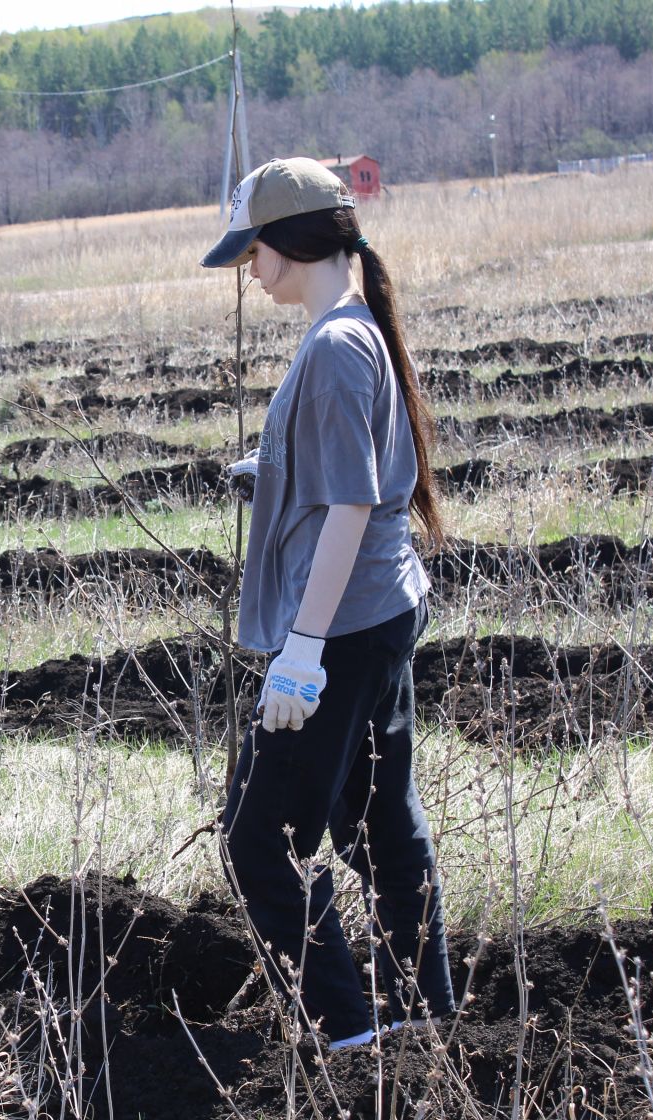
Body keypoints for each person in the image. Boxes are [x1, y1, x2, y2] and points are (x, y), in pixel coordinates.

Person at [201, 158, 454, 1052]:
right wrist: (271, 474)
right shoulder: (344, 332)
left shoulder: (339, 346)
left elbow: (353, 503)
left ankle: (347, 1038)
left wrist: (301, 652)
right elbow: (346, 477)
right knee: (378, 820)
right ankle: (425, 1017)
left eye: (252, 250)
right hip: (377, 610)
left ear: (290, 241)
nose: (247, 268)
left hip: (342, 624)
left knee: (257, 840)